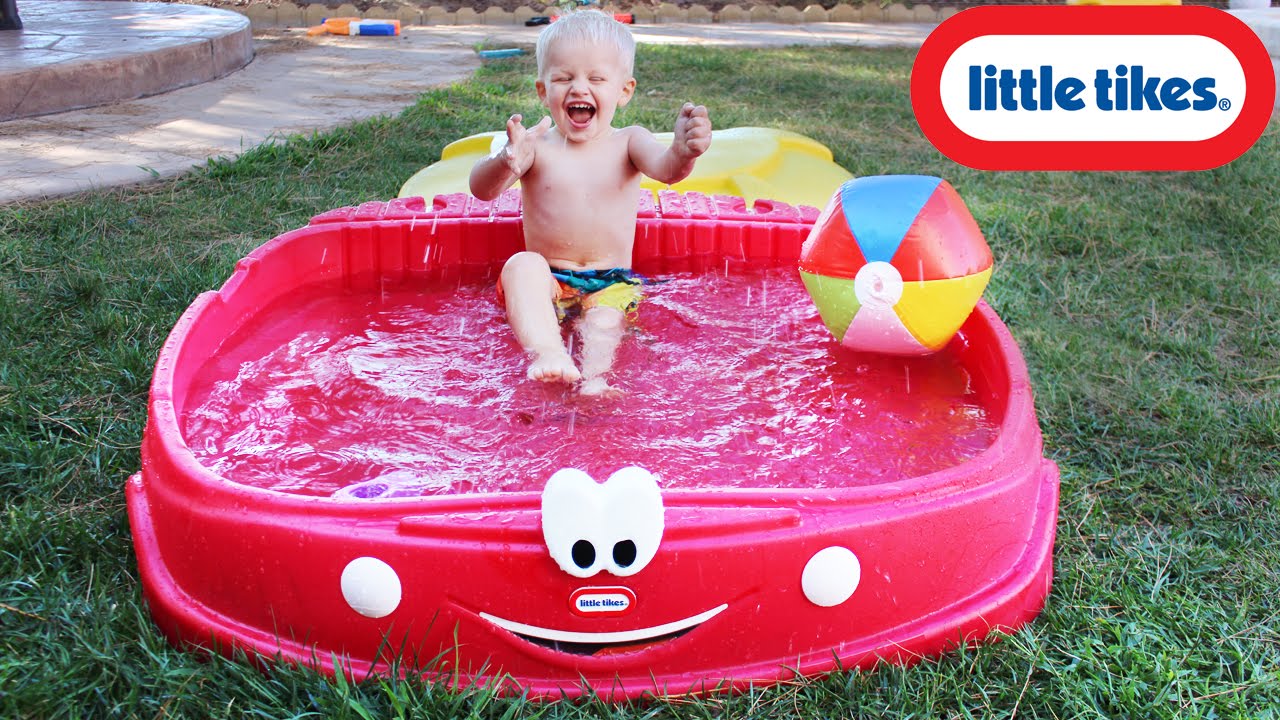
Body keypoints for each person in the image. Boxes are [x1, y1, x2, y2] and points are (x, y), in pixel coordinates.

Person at [469, 9, 711, 397]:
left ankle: (596, 379)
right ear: (543, 91)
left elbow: (668, 170)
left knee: (605, 319)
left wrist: (684, 152)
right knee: (522, 265)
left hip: (610, 279)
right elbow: (482, 190)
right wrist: (504, 161)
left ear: (624, 90)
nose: (579, 88)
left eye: (596, 78)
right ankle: (547, 352)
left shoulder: (630, 140)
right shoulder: (534, 146)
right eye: (564, 78)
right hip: (549, 279)